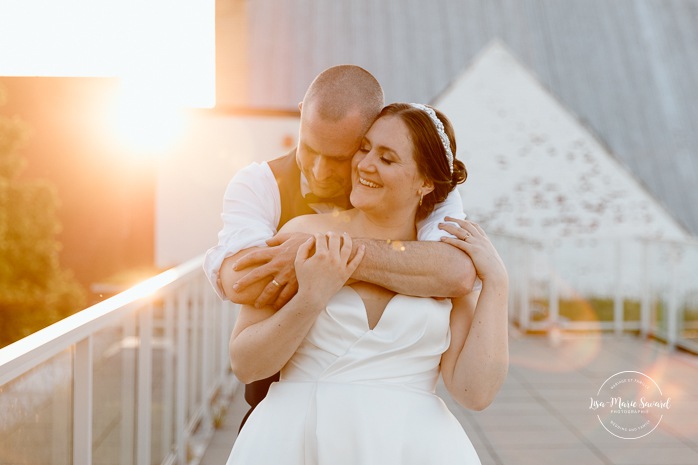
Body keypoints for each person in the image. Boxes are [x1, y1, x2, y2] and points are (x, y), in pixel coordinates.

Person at [225, 103, 509, 464]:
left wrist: (497, 284)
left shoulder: (444, 266)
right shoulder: (301, 235)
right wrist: (310, 299)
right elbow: (245, 364)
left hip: (413, 447)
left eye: (387, 159)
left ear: (424, 182)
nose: (364, 165)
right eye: (365, 148)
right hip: (294, 441)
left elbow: (475, 392)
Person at [203, 65, 478, 427]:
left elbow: (455, 272)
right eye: (310, 148)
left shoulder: (427, 189)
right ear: (301, 114)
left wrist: (325, 254)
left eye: (338, 157)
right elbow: (247, 282)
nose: (318, 171)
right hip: (281, 410)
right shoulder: (259, 185)